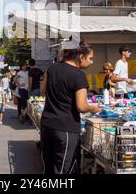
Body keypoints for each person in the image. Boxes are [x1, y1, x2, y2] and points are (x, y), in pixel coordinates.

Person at [40, 41, 99, 174]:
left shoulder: (52, 68)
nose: (91, 62)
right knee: (63, 169)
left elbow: (43, 91)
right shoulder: (79, 75)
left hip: (47, 124)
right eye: (90, 58)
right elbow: (82, 106)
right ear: (80, 57)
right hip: (66, 128)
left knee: (48, 166)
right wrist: (93, 108)